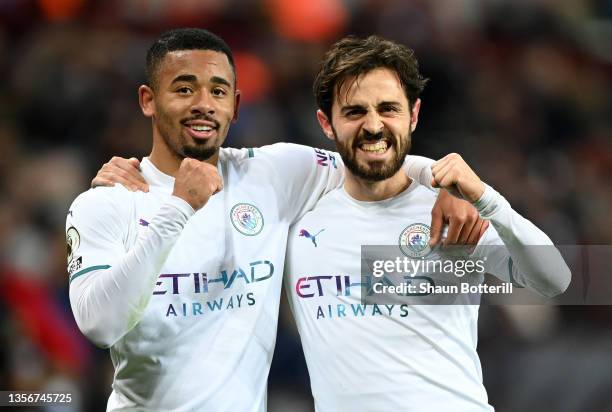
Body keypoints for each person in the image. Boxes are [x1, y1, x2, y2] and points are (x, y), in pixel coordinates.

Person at [67, 28, 485, 410]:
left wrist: (441, 181)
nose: (203, 105)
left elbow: (369, 152)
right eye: (184, 89)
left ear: (235, 105)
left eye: (218, 91)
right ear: (148, 100)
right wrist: (179, 208)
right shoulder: (107, 203)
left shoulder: (273, 173)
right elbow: (101, 325)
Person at [284, 35, 571, 411]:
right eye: (355, 112)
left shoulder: (452, 212)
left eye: (389, 109)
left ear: (413, 115)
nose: (373, 126)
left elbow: (555, 280)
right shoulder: (298, 220)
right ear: (327, 123)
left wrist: (487, 200)